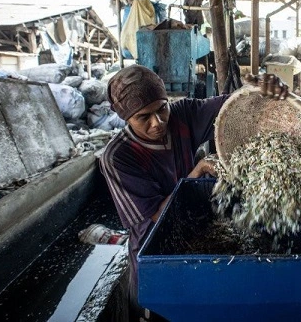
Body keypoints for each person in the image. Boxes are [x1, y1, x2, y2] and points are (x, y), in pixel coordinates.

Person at [99, 65, 288, 321]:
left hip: (193, 243)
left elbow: (231, 106)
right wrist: (195, 174)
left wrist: (259, 88)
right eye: (144, 117)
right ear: (125, 118)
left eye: (161, 108)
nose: (157, 122)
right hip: (156, 259)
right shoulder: (118, 156)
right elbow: (155, 215)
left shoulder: (182, 115)